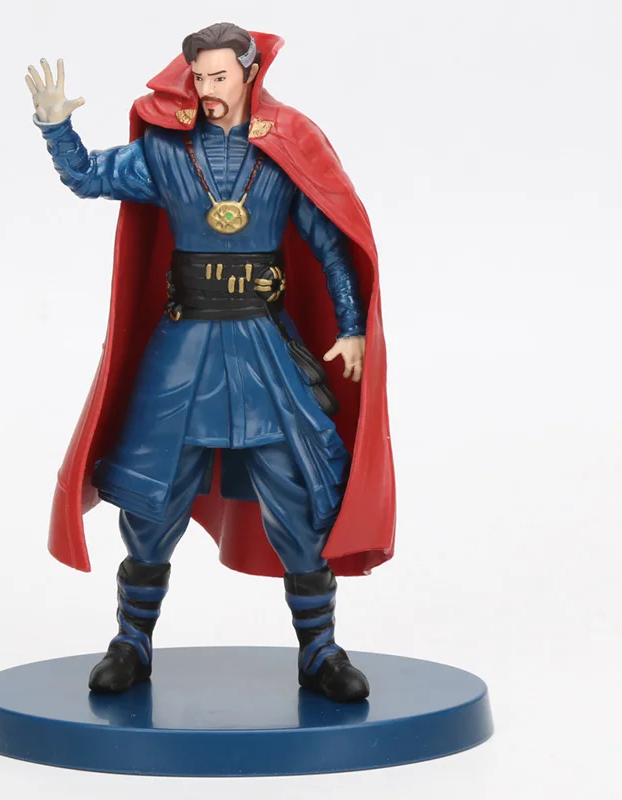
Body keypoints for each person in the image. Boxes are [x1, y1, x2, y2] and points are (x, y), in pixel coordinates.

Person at [25, 23, 396, 703]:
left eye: (219, 76)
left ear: (249, 73)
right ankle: (131, 643)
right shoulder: (166, 152)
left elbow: (331, 241)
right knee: (151, 502)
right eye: (198, 78)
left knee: (300, 497)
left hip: (263, 349)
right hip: (185, 348)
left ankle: (319, 650)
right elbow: (87, 176)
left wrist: (351, 327)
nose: (206, 89)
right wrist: (55, 128)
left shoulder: (288, 145)